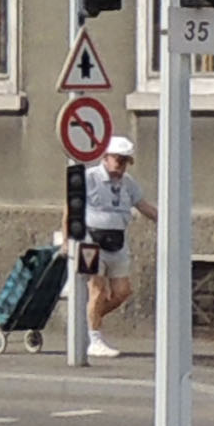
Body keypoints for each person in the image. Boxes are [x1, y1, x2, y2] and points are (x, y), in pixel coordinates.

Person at [75, 136, 139, 359]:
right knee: (98, 289)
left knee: (123, 291)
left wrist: (168, 221)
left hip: (117, 241)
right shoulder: (89, 177)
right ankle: (94, 339)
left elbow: (142, 204)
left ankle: (88, 322)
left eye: (125, 161)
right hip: (89, 242)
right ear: (106, 157)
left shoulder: (127, 182)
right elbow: (70, 207)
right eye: (118, 160)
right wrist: (66, 240)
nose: (121, 166)